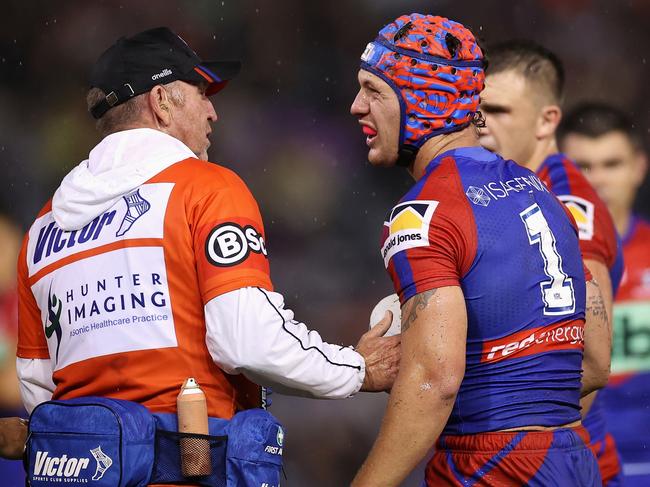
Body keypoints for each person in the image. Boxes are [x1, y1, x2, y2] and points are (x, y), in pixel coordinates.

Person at [15, 27, 400, 465]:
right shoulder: (206, 189)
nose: (213, 113)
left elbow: (39, 390)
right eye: (201, 93)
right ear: (161, 102)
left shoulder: (41, 229)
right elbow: (247, 342)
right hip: (190, 468)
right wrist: (357, 369)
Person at [349, 13, 610, 486]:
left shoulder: (423, 213)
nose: (356, 107)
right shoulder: (544, 193)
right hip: (573, 459)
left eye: (374, 90)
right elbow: (594, 360)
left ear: (420, 99)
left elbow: (435, 383)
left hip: (490, 464)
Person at [479, 40, 624, 485]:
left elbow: (593, 361)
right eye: (474, 107)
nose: (480, 122)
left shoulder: (565, 206)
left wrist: (512, 440)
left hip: (551, 464)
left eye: (499, 110)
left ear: (547, 121)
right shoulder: (513, 190)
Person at [559, 102, 650, 486]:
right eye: (582, 167)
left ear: (639, 167)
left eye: (611, 164)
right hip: (567, 464)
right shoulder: (533, 261)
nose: (597, 181)